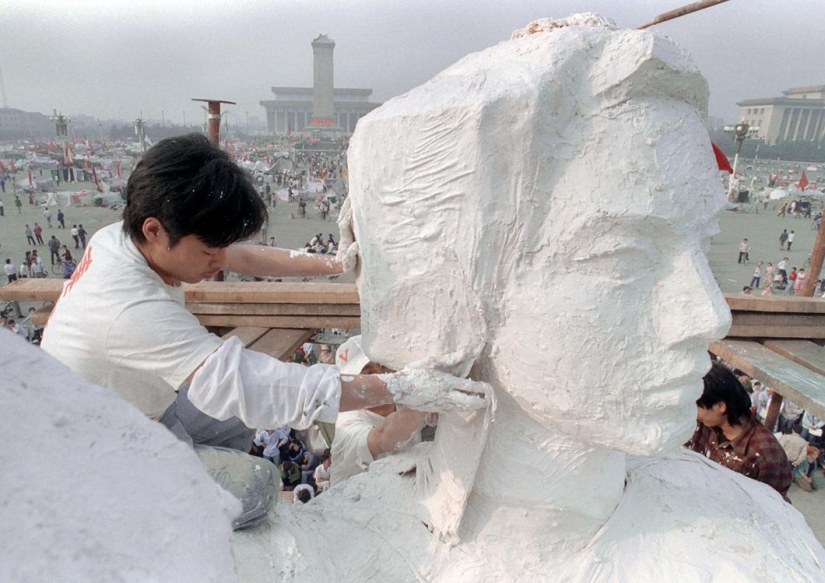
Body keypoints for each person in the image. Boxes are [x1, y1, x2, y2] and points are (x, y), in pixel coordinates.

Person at [232, 17, 825, 582]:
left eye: (702, 241)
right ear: (448, 286)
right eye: (625, 256)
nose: (711, 315)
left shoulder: (765, 540)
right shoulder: (325, 559)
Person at [41, 134, 486, 454]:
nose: (219, 263)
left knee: (236, 425)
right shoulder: (129, 309)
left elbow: (245, 257)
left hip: (140, 395)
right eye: (208, 252)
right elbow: (250, 385)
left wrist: (335, 264)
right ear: (155, 230)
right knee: (249, 492)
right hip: (101, 439)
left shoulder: (125, 235)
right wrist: (401, 387)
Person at [330, 336, 432, 485]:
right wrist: (426, 397)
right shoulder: (348, 421)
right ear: (352, 384)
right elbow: (382, 439)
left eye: (383, 367)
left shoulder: (399, 401)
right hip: (359, 497)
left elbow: (432, 413)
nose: (382, 376)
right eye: (369, 373)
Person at [686, 362, 791, 499]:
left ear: (720, 406)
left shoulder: (767, 456)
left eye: (697, 407)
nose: (693, 413)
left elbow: (772, 505)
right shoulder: (704, 424)